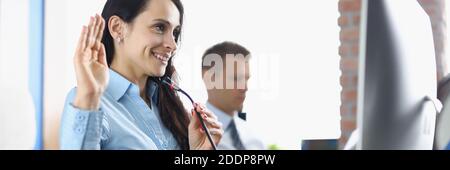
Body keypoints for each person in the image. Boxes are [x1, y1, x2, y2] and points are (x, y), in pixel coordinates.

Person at [60, 0, 223, 150]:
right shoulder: (87, 103)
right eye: (159, 27)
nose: (172, 45)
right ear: (118, 28)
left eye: (175, 32)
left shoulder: (167, 106)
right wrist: (89, 96)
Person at [201, 41, 265, 150]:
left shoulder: (255, 139)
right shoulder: (188, 133)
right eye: (236, 78)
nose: (244, 87)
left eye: (246, 79)